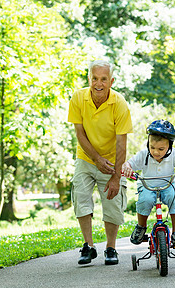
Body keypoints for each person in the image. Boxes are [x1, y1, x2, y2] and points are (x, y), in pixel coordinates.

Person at [68, 60, 133, 265]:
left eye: (103, 79)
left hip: (112, 160)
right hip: (87, 157)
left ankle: (111, 247)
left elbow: (122, 144)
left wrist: (116, 176)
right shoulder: (78, 98)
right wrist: (96, 159)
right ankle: (88, 246)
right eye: (94, 78)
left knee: (113, 201)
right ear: (89, 79)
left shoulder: (119, 103)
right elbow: (80, 134)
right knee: (80, 194)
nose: (98, 83)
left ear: (111, 81)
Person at [122, 120, 175, 246]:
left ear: (169, 146)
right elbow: (129, 163)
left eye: (161, 149)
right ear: (148, 143)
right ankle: (141, 227)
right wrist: (127, 167)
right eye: (152, 147)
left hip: (168, 186)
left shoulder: (174, 155)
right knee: (145, 200)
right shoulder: (144, 155)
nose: (156, 152)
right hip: (148, 186)